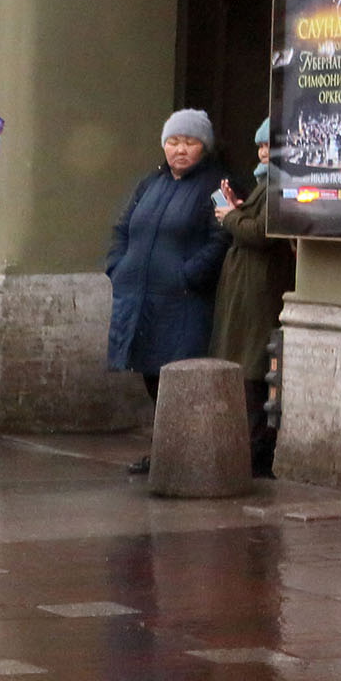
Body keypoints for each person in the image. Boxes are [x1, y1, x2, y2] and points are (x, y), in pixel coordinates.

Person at [106, 109, 231, 474]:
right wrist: (117, 266)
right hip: (141, 296)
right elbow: (123, 228)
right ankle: (163, 451)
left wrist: (189, 275)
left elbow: (222, 236)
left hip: (182, 300)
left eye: (190, 142)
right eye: (173, 142)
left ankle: (181, 454)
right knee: (149, 372)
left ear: (204, 147)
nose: (180, 149)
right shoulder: (150, 183)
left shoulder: (218, 186)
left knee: (176, 375)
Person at [210, 118, 296, 479]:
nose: (263, 152)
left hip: (259, 289)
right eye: (260, 146)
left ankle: (258, 447)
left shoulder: (279, 184)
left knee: (255, 368)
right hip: (249, 287)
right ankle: (252, 444)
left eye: (269, 146)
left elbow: (263, 232)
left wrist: (230, 216)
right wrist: (238, 208)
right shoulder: (267, 183)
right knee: (248, 367)